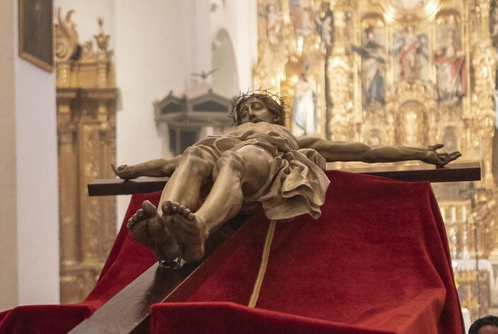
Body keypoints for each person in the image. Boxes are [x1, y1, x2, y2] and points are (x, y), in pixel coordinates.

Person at [116, 92, 457, 266]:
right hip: (219, 151)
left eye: (258, 107)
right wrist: (134, 170)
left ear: (275, 115)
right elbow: (167, 165)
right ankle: (165, 232)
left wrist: (419, 153)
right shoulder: (224, 136)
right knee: (192, 156)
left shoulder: (284, 135)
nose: (250, 111)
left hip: (261, 156)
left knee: (233, 161)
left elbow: (363, 150)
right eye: (245, 108)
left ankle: (199, 228)